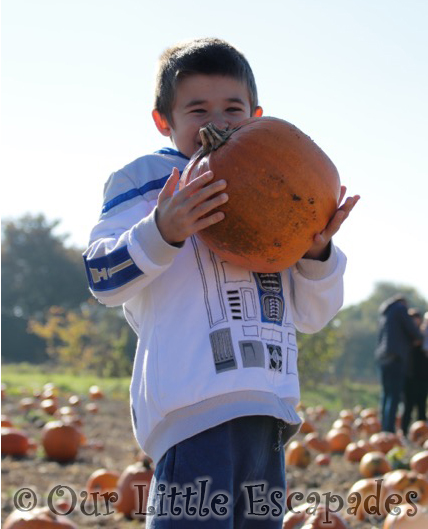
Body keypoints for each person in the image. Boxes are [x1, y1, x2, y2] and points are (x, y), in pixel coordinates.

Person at [83, 38, 359, 527]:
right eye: (197, 109)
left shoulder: (274, 186)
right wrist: (163, 229)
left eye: (232, 108)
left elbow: (314, 315)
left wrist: (316, 250)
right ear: (163, 121)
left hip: (268, 414)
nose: (217, 121)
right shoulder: (148, 182)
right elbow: (103, 277)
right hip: (192, 414)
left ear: (255, 114)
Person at [375, 295, 423, 433]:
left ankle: (384, 427)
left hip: (383, 357)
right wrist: (419, 337)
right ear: (403, 302)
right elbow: (412, 330)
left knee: (385, 394)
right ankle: (389, 430)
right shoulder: (400, 309)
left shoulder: (385, 313)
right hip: (396, 356)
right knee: (394, 395)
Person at [401, 309, 428, 437]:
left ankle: (422, 435)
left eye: (416, 317)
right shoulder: (406, 335)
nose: (415, 320)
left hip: (423, 375)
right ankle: (404, 431)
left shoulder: (423, 335)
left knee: (421, 405)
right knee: (408, 406)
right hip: (409, 376)